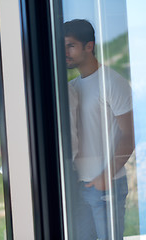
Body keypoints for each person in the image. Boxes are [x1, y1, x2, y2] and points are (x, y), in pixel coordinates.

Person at [65, 19, 134, 239]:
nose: (65, 52)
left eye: (71, 45)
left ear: (89, 46)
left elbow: (129, 135)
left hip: (107, 186)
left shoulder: (113, 82)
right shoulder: (72, 88)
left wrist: (105, 177)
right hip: (79, 187)